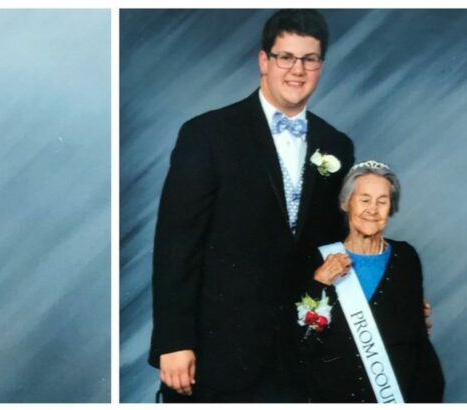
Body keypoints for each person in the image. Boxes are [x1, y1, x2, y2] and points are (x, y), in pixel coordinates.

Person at [149, 9, 355, 402]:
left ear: (321, 66)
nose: (298, 69)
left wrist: (397, 304)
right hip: (219, 354)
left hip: (300, 352)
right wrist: (172, 341)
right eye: (286, 57)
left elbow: (340, 249)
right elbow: (177, 245)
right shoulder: (208, 134)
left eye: (309, 59)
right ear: (264, 61)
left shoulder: (337, 145)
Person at [295, 161, 444, 402]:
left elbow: (417, 342)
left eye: (382, 201)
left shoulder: (406, 258)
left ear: (390, 208)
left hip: (397, 396)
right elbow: (299, 343)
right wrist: (320, 282)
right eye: (364, 200)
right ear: (346, 203)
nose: (373, 209)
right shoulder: (317, 259)